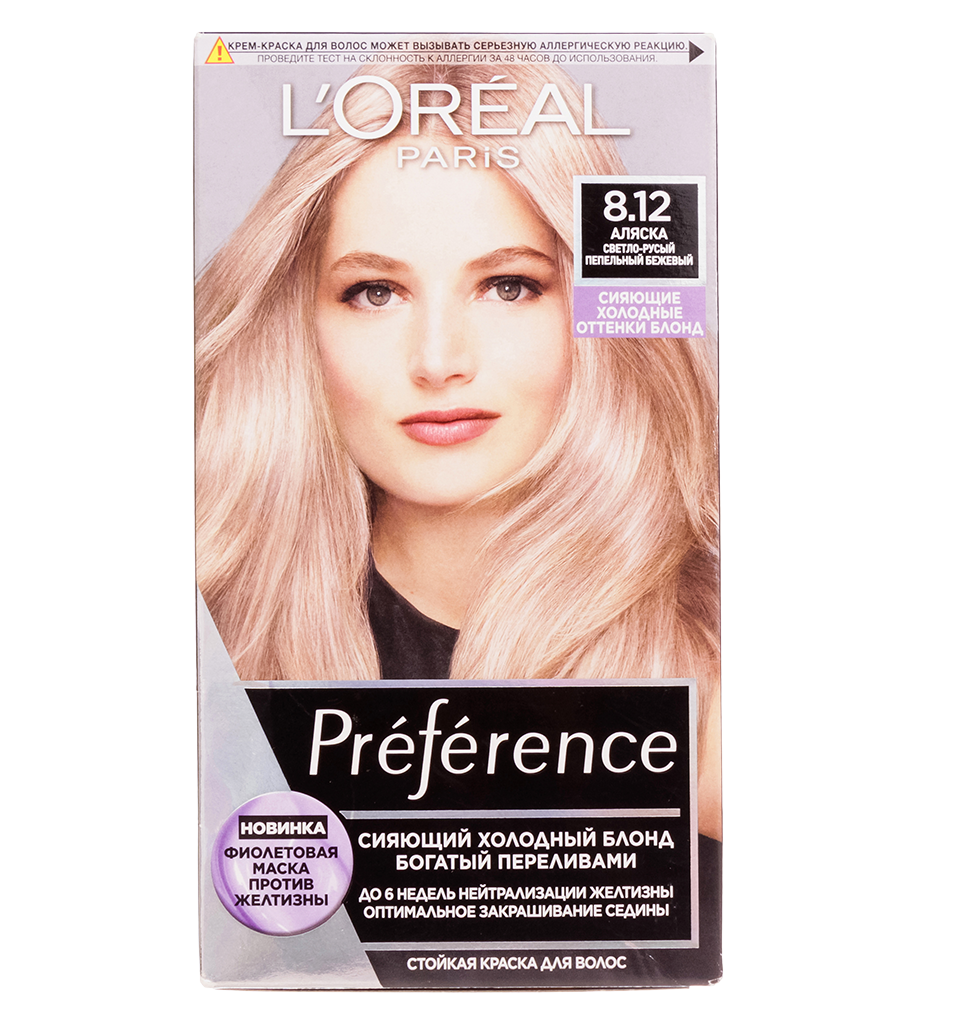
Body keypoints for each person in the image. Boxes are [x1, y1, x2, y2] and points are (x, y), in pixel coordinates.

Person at [195, 61, 720, 841]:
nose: (438, 361)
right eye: (375, 292)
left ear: (597, 315)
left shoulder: (715, 686)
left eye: (509, 285)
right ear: (299, 328)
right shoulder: (210, 644)